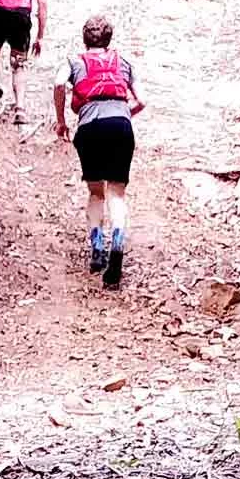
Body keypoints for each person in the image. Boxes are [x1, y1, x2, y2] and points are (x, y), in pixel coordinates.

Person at [54, 17, 143, 289]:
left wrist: (61, 121)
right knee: (117, 191)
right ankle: (117, 239)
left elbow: (59, 85)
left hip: (89, 128)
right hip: (121, 126)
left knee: (96, 192)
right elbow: (143, 100)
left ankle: (97, 247)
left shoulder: (72, 62)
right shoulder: (124, 62)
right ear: (109, 39)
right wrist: (124, 114)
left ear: (85, 38)